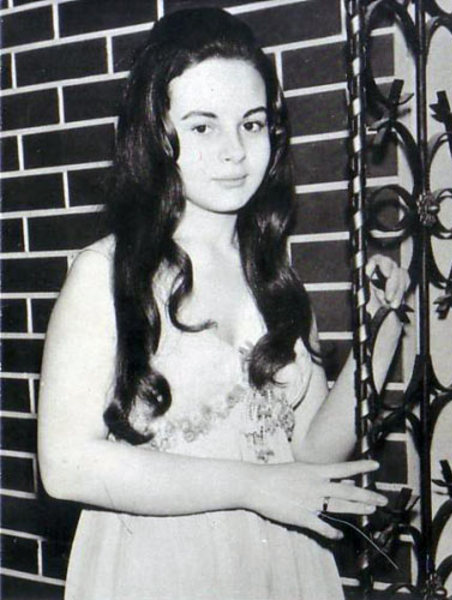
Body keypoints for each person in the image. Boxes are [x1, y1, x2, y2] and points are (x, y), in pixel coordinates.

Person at [38, 8, 409, 600]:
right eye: (203, 127)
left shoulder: (273, 275)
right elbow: (64, 466)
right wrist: (254, 487)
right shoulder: (105, 276)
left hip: (280, 565)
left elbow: (312, 453)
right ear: (157, 135)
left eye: (252, 123)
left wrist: (383, 330)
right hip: (163, 569)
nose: (235, 151)